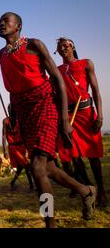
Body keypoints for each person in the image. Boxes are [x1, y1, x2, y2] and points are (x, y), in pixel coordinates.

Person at [0, 12, 96, 227]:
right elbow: (13, 89)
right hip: (24, 112)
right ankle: (85, 190)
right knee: (48, 167)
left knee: (37, 168)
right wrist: (13, 115)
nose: (2, 24)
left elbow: (58, 80)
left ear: (19, 26)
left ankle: (49, 222)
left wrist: (64, 120)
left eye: (6, 20)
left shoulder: (34, 45)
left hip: (45, 105)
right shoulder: (0, 55)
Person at [55, 37, 107, 207]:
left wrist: (99, 115)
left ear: (73, 47)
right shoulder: (56, 70)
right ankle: (89, 189)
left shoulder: (86, 63)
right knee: (74, 156)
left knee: (92, 155)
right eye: (60, 46)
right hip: (68, 116)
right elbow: (54, 96)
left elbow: (96, 91)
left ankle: (102, 191)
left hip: (86, 113)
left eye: (66, 45)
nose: (63, 48)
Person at [2, 105, 34, 191]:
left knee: (20, 167)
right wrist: (5, 150)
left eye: (13, 109)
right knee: (27, 166)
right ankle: (32, 186)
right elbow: (4, 135)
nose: (12, 111)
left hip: (22, 146)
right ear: (8, 110)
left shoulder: (19, 120)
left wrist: (27, 146)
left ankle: (12, 182)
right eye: (10, 109)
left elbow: (24, 133)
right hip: (13, 147)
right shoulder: (5, 121)